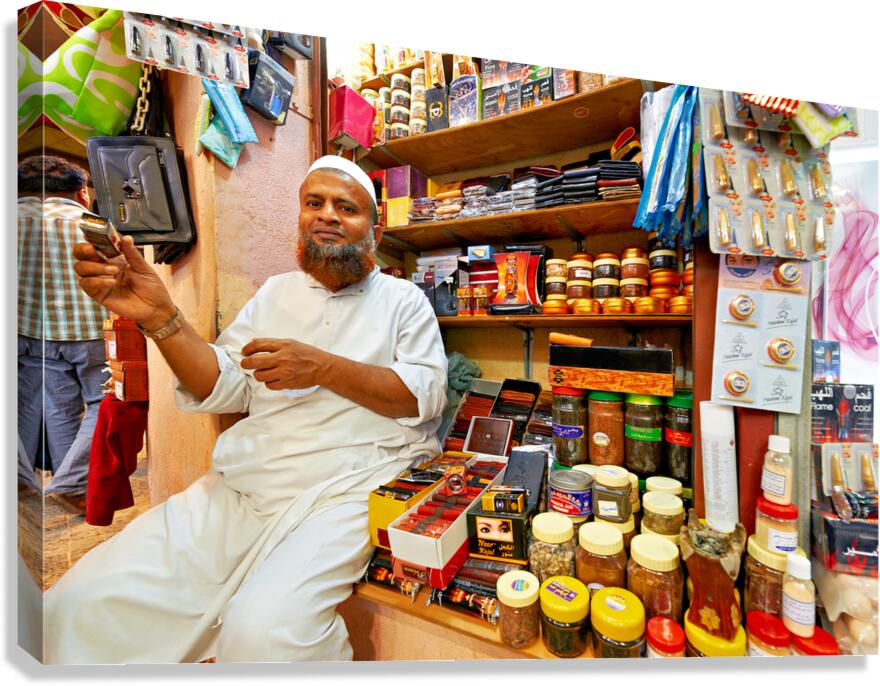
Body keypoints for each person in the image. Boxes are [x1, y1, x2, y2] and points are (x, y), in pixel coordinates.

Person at [44, 156, 448, 663]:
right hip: (249, 482)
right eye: (314, 203)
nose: (327, 215)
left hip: (348, 488)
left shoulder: (403, 300)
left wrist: (322, 367)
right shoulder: (275, 293)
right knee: (77, 602)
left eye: (346, 208)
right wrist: (162, 318)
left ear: (375, 230)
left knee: (265, 634)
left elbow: (422, 397)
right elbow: (225, 383)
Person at [17, 155, 109, 511]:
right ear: (82, 193)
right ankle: (72, 484)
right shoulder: (94, 225)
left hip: (28, 334)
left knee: (55, 406)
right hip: (90, 333)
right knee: (103, 402)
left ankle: (34, 480)